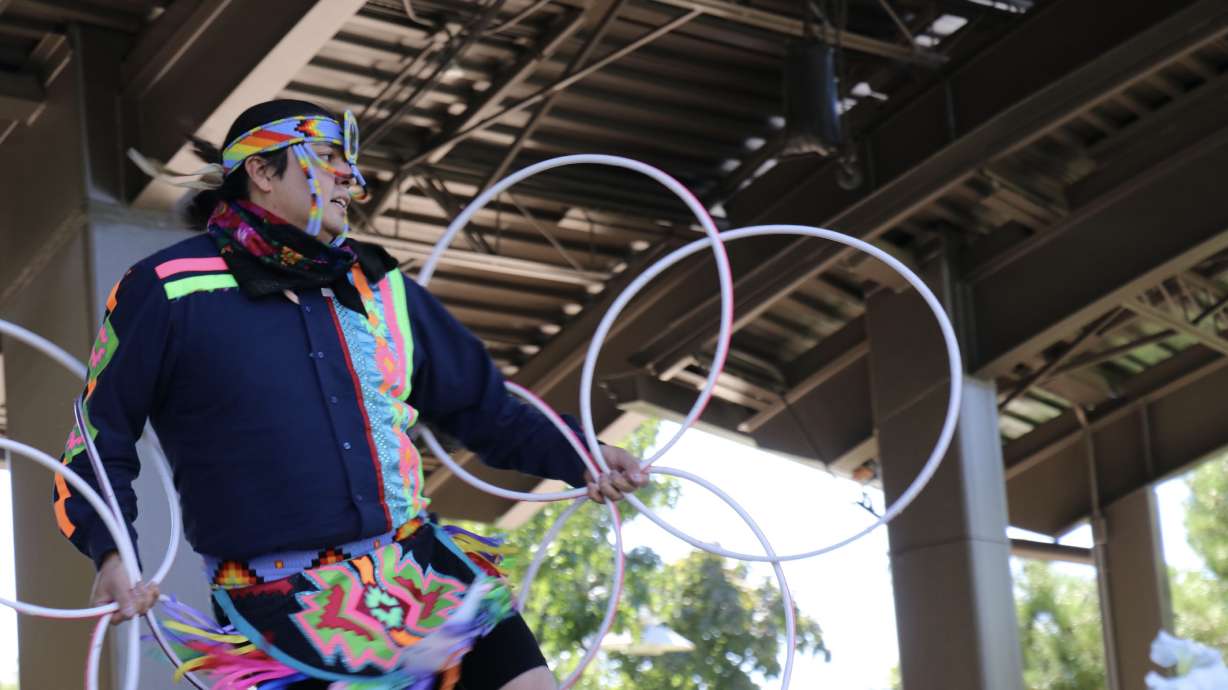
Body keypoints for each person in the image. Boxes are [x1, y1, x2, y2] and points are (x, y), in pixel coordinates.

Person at [52, 99, 646, 690]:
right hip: (278, 612)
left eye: (349, 162)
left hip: (423, 574)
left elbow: (486, 411)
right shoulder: (165, 288)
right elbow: (97, 439)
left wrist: (581, 454)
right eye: (328, 158)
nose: (350, 178)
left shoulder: (380, 284)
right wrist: (110, 552)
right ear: (262, 171)